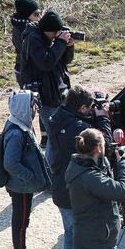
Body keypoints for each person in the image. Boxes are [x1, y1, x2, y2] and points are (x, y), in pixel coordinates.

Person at [46, 85, 112, 249]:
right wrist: (102, 120)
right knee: (80, 242)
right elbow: (104, 147)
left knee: (69, 237)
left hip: (61, 188)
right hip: (76, 192)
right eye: (90, 107)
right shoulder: (78, 128)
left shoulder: (57, 117)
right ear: (82, 107)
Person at [65, 128, 125, 249]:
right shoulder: (89, 178)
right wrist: (124, 161)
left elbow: (103, 186)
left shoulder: (80, 166)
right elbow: (123, 191)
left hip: (91, 243)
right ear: (97, 149)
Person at [3, 90, 51, 249]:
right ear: (25, 107)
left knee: (23, 221)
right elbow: (10, 163)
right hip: (20, 187)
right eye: (33, 105)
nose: (35, 109)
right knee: (21, 222)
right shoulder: (16, 133)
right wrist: (30, 176)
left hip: (23, 186)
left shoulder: (20, 124)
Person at [20, 10, 74, 147]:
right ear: (46, 30)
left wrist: (68, 46)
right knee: (55, 135)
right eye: (54, 32)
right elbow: (45, 63)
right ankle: (51, 163)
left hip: (60, 89)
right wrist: (60, 43)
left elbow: (66, 61)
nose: (56, 35)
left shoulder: (53, 39)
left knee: (65, 130)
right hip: (46, 94)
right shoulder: (33, 39)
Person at [10, 0, 42, 88]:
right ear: (26, 15)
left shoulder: (19, 26)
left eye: (40, 13)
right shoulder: (27, 31)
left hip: (21, 69)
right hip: (29, 72)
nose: (39, 17)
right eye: (36, 14)